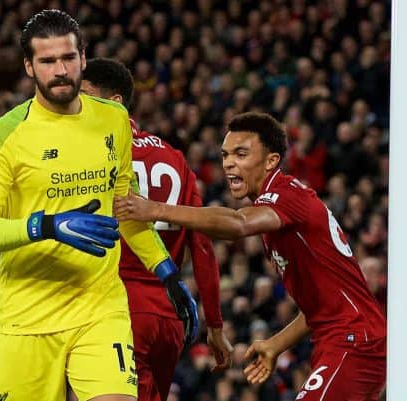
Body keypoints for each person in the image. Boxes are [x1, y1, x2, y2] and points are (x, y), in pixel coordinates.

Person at [0, 10, 198, 401]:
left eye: (68, 58)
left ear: (83, 58)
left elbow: (128, 209)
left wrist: (167, 271)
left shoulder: (114, 119)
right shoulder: (3, 136)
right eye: (47, 61)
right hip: (29, 319)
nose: (60, 71)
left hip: (100, 308)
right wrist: (45, 226)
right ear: (29, 67)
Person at [114, 112, 386, 400]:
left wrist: (154, 209)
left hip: (354, 342)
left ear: (271, 161)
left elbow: (237, 224)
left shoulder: (286, 196)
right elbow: (320, 305)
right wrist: (276, 344)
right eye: (225, 154)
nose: (229, 162)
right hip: (344, 339)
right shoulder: (279, 212)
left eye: (241, 153)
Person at [81, 58, 233, 401]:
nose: (78, 106)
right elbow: (202, 243)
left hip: (119, 307)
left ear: (115, 103)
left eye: (87, 96)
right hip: (169, 313)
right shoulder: (175, 158)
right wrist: (216, 325)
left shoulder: (95, 156)